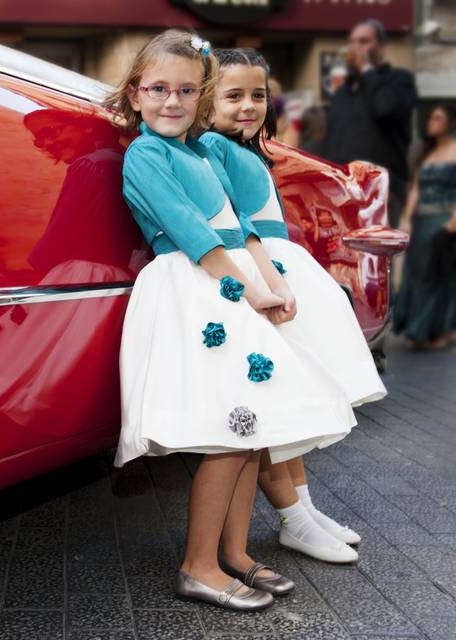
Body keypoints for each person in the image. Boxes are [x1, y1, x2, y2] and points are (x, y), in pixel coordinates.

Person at [103, 30, 357, 611]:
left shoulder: (198, 151)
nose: (172, 100)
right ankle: (197, 566)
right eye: (159, 89)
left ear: (202, 95)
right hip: (199, 288)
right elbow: (193, 235)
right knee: (229, 433)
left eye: (186, 90)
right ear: (135, 95)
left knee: (253, 429)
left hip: (228, 287)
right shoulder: (146, 154)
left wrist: (269, 284)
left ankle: (234, 555)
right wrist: (250, 293)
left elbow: (241, 225)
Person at [201, 48, 388, 563]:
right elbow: (235, 225)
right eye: (233, 95)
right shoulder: (212, 147)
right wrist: (264, 283)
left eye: (257, 95)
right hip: (257, 274)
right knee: (273, 409)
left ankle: (303, 508)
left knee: (291, 405)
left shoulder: (246, 149)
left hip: (276, 268)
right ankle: (292, 517)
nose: (248, 106)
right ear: (205, 99)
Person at [321, 18, 418, 227]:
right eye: (353, 41)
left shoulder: (399, 80)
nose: (356, 47)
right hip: (342, 193)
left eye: (364, 41)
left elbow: (386, 109)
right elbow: (332, 143)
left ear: (381, 48)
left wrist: (367, 69)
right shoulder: (342, 93)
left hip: (381, 192)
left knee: (375, 258)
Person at [394, 104, 456, 349]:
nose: (431, 122)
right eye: (430, 117)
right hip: (422, 223)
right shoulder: (426, 153)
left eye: (438, 118)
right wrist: (407, 220)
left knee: (439, 276)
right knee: (416, 274)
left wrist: (453, 221)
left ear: (450, 122)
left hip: (444, 222)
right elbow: (416, 189)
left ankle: (437, 331)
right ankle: (418, 329)